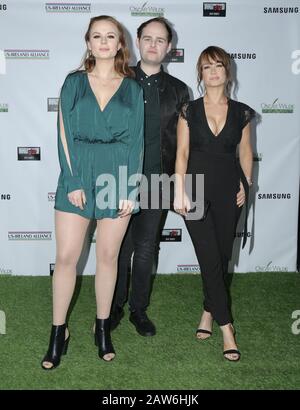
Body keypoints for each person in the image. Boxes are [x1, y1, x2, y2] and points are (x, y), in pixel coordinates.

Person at [41, 15, 144, 369]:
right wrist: (72, 181)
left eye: (110, 36)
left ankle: (102, 328)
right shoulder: (72, 83)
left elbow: (136, 142)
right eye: (96, 36)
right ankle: (58, 332)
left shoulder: (132, 87)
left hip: (117, 176)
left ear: (119, 44)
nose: (103, 41)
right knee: (67, 257)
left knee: (107, 258)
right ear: (88, 42)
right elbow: (64, 134)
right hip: (78, 174)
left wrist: (131, 187)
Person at [174, 46, 254, 361]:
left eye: (219, 65)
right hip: (192, 189)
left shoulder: (242, 112)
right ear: (201, 74)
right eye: (207, 67)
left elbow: (246, 152)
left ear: (228, 71)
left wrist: (246, 185)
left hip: (228, 192)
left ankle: (208, 311)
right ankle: (226, 328)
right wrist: (178, 189)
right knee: (209, 258)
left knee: (220, 258)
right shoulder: (188, 111)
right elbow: (181, 153)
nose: (214, 71)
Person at [111, 18, 189, 336]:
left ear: (169, 47)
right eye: (148, 38)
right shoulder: (117, 79)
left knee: (146, 248)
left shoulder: (179, 90)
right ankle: (112, 307)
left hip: (157, 181)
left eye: (160, 40)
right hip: (116, 179)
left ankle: (137, 311)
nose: (153, 44)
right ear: (138, 42)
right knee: (115, 248)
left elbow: (184, 144)